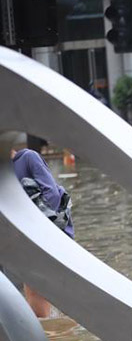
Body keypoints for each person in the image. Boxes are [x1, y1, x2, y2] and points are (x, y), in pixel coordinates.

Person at [10, 135, 74, 318]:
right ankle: (53, 335)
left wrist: (30, 224)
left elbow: (52, 194)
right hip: (22, 240)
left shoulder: (28, 158)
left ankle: (63, 334)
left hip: (48, 232)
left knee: (55, 285)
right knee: (33, 287)